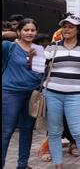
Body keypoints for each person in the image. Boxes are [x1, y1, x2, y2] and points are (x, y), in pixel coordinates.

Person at [44, 15, 80, 169]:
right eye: (65, 26)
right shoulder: (52, 46)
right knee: (54, 132)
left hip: (75, 95)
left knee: (78, 132)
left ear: (78, 29)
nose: (67, 29)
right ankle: (58, 166)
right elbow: (38, 67)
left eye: (71, 27)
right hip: (52, 94)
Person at [2, 18, 44, 169]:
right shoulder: (8, 46)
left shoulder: (39, 49)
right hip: (11, 92)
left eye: (33, 30)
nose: (30, 33)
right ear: (18, 32)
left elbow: (40, 71)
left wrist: (33, 59)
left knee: (27, 130)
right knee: (6, 131)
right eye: (26, 30)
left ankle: (22, 165)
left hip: (32, 94)